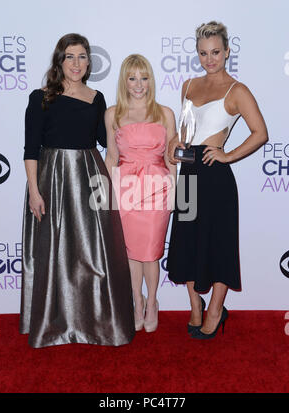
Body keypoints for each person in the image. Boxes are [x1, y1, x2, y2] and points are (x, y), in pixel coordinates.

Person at [20, 33, 135, 348]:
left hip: (90, 174)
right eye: (69, 56)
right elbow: (31, 149)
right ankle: (54, 325)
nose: (76, 63)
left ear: (89, 61)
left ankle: (93, 323)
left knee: (93, 253)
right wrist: (34, 190)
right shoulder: (40, 97)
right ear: (60, 60)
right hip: (52, 179)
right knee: (54, 253)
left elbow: (106, 142)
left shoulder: (97, 98)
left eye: (82, 56)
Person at [167, 21, 268, 339]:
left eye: (215, 52)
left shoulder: (237, 90)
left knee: (219, 244)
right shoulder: (187, 86)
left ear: (226, 51)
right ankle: (195, 307)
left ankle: (215, 310)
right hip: (189, 173)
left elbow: (260, 133)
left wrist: (228, 154)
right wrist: (174, 142)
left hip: (216, 178)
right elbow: (184, 131)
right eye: (202, 53)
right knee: (186, 242)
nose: (209, 59)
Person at [105, 54, 176, 332]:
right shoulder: (113, 113)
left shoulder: (165, 113)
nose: (138, 84)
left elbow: (171, 158)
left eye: (144, 78)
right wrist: (107, 197)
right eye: (132, 78)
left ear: (151, 80)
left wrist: (175, 192)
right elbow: (111, 157)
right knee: (132, 253)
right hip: (125, 190)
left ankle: (153, 302)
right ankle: (137, 301)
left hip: (158, 188)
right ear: (124, 80)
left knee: (152, 252)